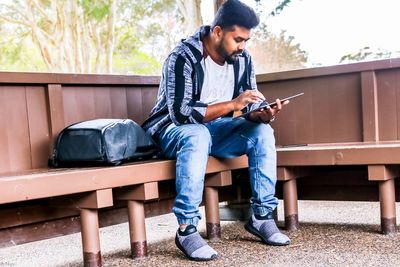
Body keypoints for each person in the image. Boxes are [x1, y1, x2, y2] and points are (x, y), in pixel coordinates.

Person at [142, 0, 290, 261]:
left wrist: (261, 114)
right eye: (238, 39)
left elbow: (249, 104)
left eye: (246, 40)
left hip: (215, 130)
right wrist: (233, 104)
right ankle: (187, 229)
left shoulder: (242, 59)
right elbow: (181, 114)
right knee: (197, 133)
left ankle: (262, 216)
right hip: (172, 130)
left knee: (262, 133)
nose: (243, 46)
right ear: (218, 31)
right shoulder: (182, 57)